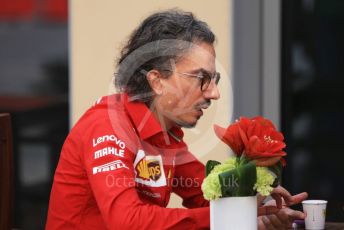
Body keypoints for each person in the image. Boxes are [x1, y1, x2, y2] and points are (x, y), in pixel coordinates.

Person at [46, 9, 307, 229]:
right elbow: (128, 222)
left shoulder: (163, 130)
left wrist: (254, 203)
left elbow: (204, 197)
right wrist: (232, 217)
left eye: (214, 80)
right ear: (157, 81)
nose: (214, 93)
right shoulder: (108, 125)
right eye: (201, 78)